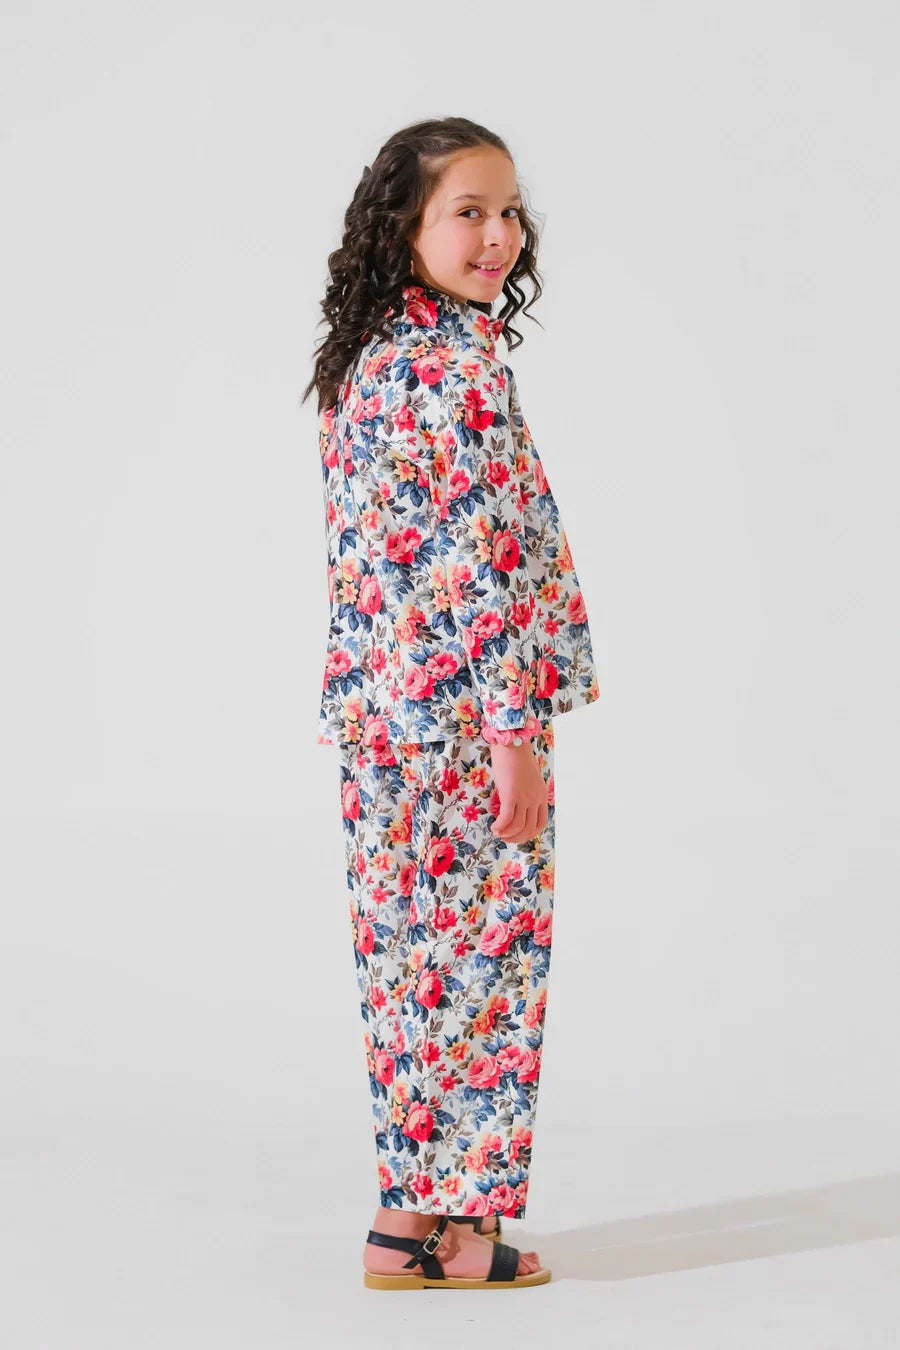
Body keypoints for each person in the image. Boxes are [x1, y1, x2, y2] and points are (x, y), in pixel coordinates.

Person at [301, 117, 600, 1291]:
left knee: (413, 965)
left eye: (508, 209)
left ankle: (413, 1222)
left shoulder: (375, 353)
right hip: (464, 723)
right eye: (467, 211)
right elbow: (476, 565)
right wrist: (516, 737)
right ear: (406, 226)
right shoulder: (453, 367)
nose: (498, 235)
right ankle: (440, 1231)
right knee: (477, 969)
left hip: (389, 719)